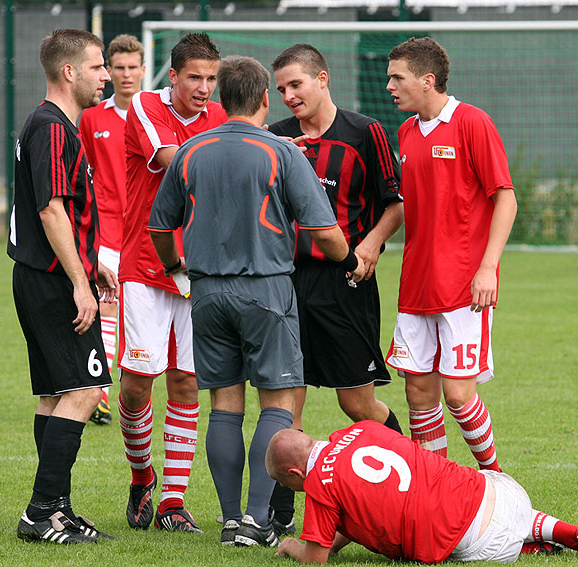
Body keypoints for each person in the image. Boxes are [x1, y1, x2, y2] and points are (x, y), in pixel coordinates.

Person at [148, 55, 365, 548]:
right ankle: (255, 520)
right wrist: (349, 259)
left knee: (224, 405)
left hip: (206, 294)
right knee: (278, 405)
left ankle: (229, 521)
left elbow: (160, 226)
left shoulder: (190, 151)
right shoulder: (281, 151)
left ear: (222, 99)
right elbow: (325, 230)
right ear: (266, 98)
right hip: (266, 290)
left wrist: (176, 266)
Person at [268, 43, 404, 532]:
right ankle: (280, 514)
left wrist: (369, 244)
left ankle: (408, 479)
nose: (289, 96)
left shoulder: (365, 132)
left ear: (322, 79)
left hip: (347, 280)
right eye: (281, 89)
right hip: (287, 282)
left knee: (356, 404)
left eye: (296, 84)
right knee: (288, 401)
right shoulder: (276, 137)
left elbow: (396, 203)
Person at [384, 37, 519, 471]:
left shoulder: (472, 122)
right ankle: (432, 488)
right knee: (418, 394)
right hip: (416, 285)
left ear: (427, 81)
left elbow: (506, 198)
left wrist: (488, 268)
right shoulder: (406, 132)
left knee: (458, 394)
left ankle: (495, 478)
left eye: (397, 78)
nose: (389, 86)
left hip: (464, 285)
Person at [8, 28, 118, 544]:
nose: (106, 76)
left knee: (55, 393)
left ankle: (58, 509)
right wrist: (79, 281)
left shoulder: (50, 124)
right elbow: (51, 210)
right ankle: (41, 511)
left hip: (41, 276)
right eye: (98, 66)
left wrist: (91, 264)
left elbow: (63, 213)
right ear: (70, 71)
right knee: (87, 390)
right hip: (54, 282)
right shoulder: (52, 127)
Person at [118, 32, 227, 533]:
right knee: (137, 382)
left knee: (187, 381)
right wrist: (236, 152)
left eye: (212, 78)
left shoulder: (219, 116)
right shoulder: (145, 105)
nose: (204, 88)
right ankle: (143, 475)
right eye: (195, 78)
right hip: (146, 265)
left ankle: (173, 503)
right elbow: (170, 159)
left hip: (198, 269)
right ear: (174, 74)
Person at [266, 421, 578, 563]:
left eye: (285, 483)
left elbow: (316, 558)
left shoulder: (320, 485)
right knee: (506, 510)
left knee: (470, 539)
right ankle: (563, 531)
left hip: (484, 545)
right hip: (498, 490)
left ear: (295, 472)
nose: (290, 489)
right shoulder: (362, 429)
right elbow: (368, 500)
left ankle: (530, 546)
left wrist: (291, 545)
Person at [80, 34, 146, 425]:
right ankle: (100, 392)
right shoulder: (92, 118)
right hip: (105, 228)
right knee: (106, 304)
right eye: (117, 67)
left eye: (132, 67)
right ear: (109, 70)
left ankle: (129, 386)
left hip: (144, 231)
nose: (124, 74)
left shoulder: (152, 115)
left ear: (143, 69)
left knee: (136, 311)